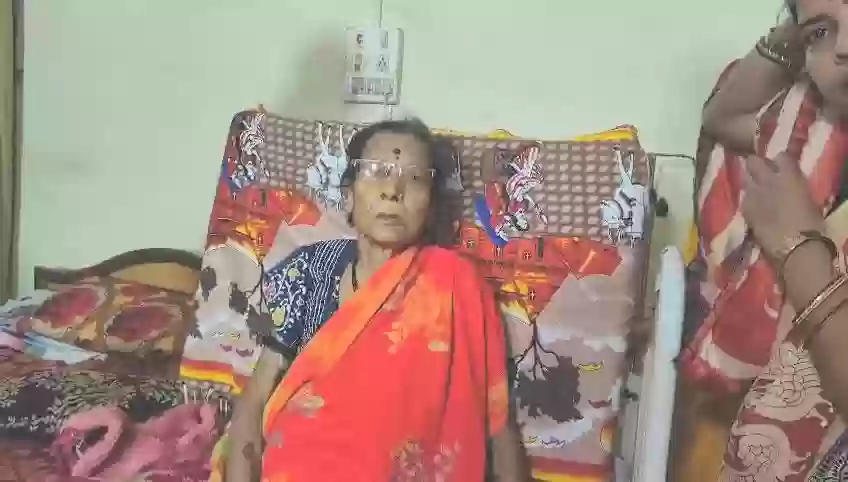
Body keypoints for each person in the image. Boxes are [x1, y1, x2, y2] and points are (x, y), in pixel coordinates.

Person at [216, 119, 529, 482]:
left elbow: (497, 423)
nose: (393, 190)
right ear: (349, 194)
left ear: (430, 205)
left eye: (414, 177)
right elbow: (255, 401)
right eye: (376, 172)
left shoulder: (458, 285)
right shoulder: (309, 271)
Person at [679, 0, 848, 480]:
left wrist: (797, 245)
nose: (844, 47)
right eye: (820, 34)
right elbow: (722, 116)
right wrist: (792, 29)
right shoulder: (811, 137)